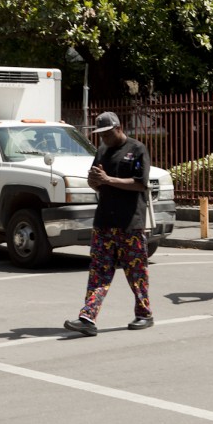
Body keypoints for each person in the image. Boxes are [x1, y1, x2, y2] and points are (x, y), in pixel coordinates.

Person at [64, 111, 153, 336]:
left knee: (136, 273)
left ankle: (144, 314)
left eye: (107, 133)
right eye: (100, 134)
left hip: (130, 223)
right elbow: (99, 183)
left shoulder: (137, 149)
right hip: (104, 222)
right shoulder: (102, 151)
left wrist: (108, 180)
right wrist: (94, 181)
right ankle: (87, 318)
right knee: (98, 273)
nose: (103, 138)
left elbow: (141, 183)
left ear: (119, 128)